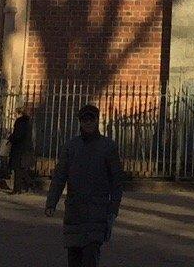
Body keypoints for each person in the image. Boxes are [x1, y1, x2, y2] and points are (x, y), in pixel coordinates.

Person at [45, 103, 124, 267]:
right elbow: (60, 176)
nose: (88, 123)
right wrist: (51, 202)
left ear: (97, 121)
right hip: (74, 211)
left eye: (91, 119)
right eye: (84, 120)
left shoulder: (108, 147)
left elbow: (117, 181)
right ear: (80, 122)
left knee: (90, 256)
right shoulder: (71, 146)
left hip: (97, 212)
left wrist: (112, 210)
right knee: (73, 258)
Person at [7, 104, 36, 195]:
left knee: (18, 169)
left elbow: (18, 135)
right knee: (21, 169)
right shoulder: (28, 121)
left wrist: (11, 138)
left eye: (15, 113)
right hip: (25, 148)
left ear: (19, 113)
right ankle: (27, 185)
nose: (14, 115)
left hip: (19, 148)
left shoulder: (20, 122)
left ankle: (18, 188)